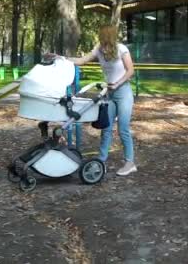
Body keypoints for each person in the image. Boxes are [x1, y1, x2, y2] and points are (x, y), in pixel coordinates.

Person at [46, 25, 137, 176]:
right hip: (110, 93)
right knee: (106, 128)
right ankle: (102, 158)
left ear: (109, 36)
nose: (100, 39)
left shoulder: (121, 49)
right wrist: (61, 58)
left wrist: (117, 83)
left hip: (123, 92)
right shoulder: (99, 49)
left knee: (123, 129)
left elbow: (131, 70)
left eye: (102, 36)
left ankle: (130, 162)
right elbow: (81, 60)